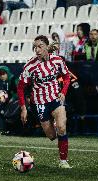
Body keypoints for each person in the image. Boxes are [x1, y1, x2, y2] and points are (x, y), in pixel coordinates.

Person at [17, 35, 72, 169]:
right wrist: (23, 108)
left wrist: (63, 92)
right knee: (52, 136)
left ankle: (63, 161)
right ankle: (54, 124)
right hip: (40, 103)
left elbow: (66, 77)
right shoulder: (30, 66)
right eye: (35, 47)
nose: (37, 50)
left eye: (40, 46)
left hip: (55, 99)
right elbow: (20, 87)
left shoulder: (58, 60)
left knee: (62, 128)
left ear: (47, 47)